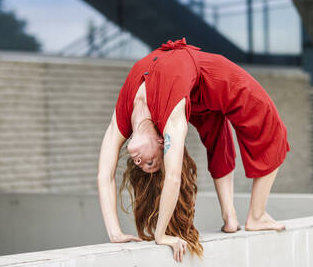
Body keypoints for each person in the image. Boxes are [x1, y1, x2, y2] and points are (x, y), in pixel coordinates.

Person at [97, 37, 290, 263]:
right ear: (162, 144)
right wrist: (117, 233)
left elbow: (104, 175)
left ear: (162, 143)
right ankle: (248, 216)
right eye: (150, 164)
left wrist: (148, 234)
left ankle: (241, 217)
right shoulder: (173, 123)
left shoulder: (122, 119)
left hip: (204, 78)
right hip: (198, 85)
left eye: (145, 165)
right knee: (262, 127)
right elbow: (172, 177)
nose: (139, 163)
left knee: (262, 127)